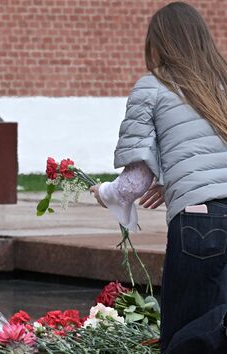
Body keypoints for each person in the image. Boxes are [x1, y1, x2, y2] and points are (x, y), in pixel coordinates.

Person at [89, 2, 227, 353]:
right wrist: (173, 181)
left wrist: (104, 192)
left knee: (185, 334)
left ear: (159, 42)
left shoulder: (152, 86)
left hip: (199, 225)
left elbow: (133, 183)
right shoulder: (222, 80)